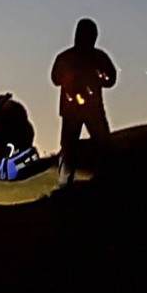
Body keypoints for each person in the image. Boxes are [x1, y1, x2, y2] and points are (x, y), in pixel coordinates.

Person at [50, 18, 117, 190]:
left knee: (82, 144)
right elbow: (56, 79)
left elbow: (111, 79)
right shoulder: (95, 57)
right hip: (81, 109)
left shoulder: (70, 56)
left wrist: (97, 78)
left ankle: (73, 180)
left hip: (85, 109)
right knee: (75, 145)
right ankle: (69, 180)